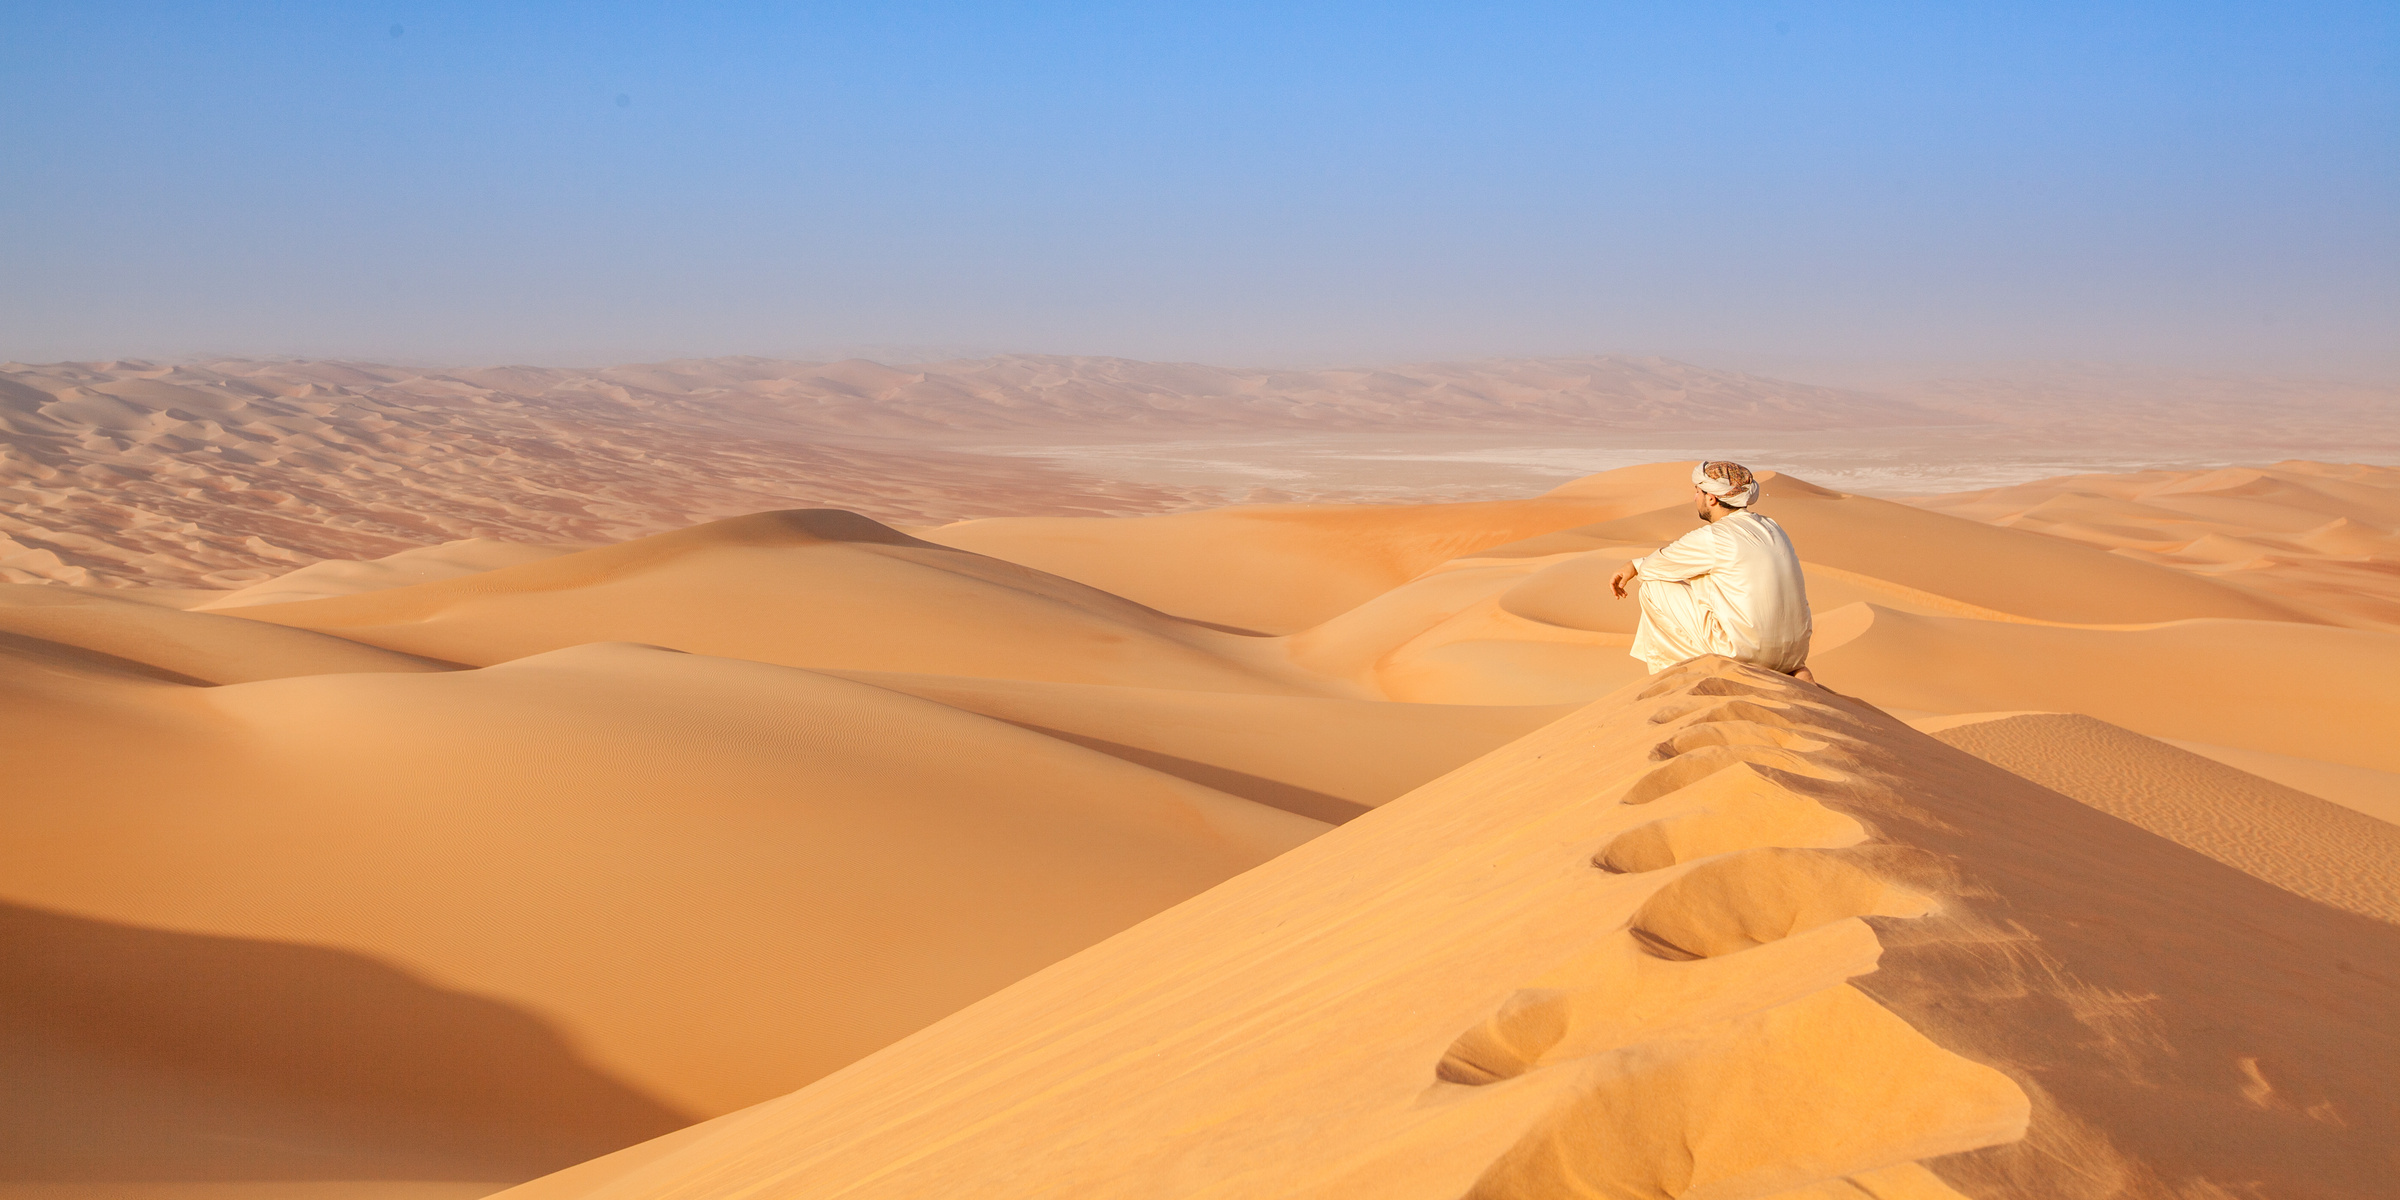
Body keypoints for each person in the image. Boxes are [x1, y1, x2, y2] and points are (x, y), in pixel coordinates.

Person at [1608, 461, 1816, 682]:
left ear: (1712, 498)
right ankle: (1786, 668)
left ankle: (1682, 677)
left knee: (1652, 587)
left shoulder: (1715, 537)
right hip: (1794, 655)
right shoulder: (1773, 527)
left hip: (1745, 657)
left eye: (1698, 491)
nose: (1694, 498)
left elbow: (1654, 567)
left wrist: (1633, 566)